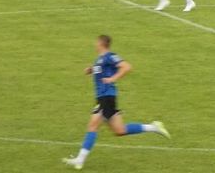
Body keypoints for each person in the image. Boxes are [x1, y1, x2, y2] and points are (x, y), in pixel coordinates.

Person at [62, 34, 170, 169]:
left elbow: (126, 67)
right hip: (102, 98)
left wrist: (113, 78)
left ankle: (80, 160)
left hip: (107, 97)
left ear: (101, 43)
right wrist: (91, 69)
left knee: (93, 126)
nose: (95, 44)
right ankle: (154, 127)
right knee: (119, 130)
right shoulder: (100, 60)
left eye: (96, 42)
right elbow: (100, 70)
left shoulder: (110, 56)